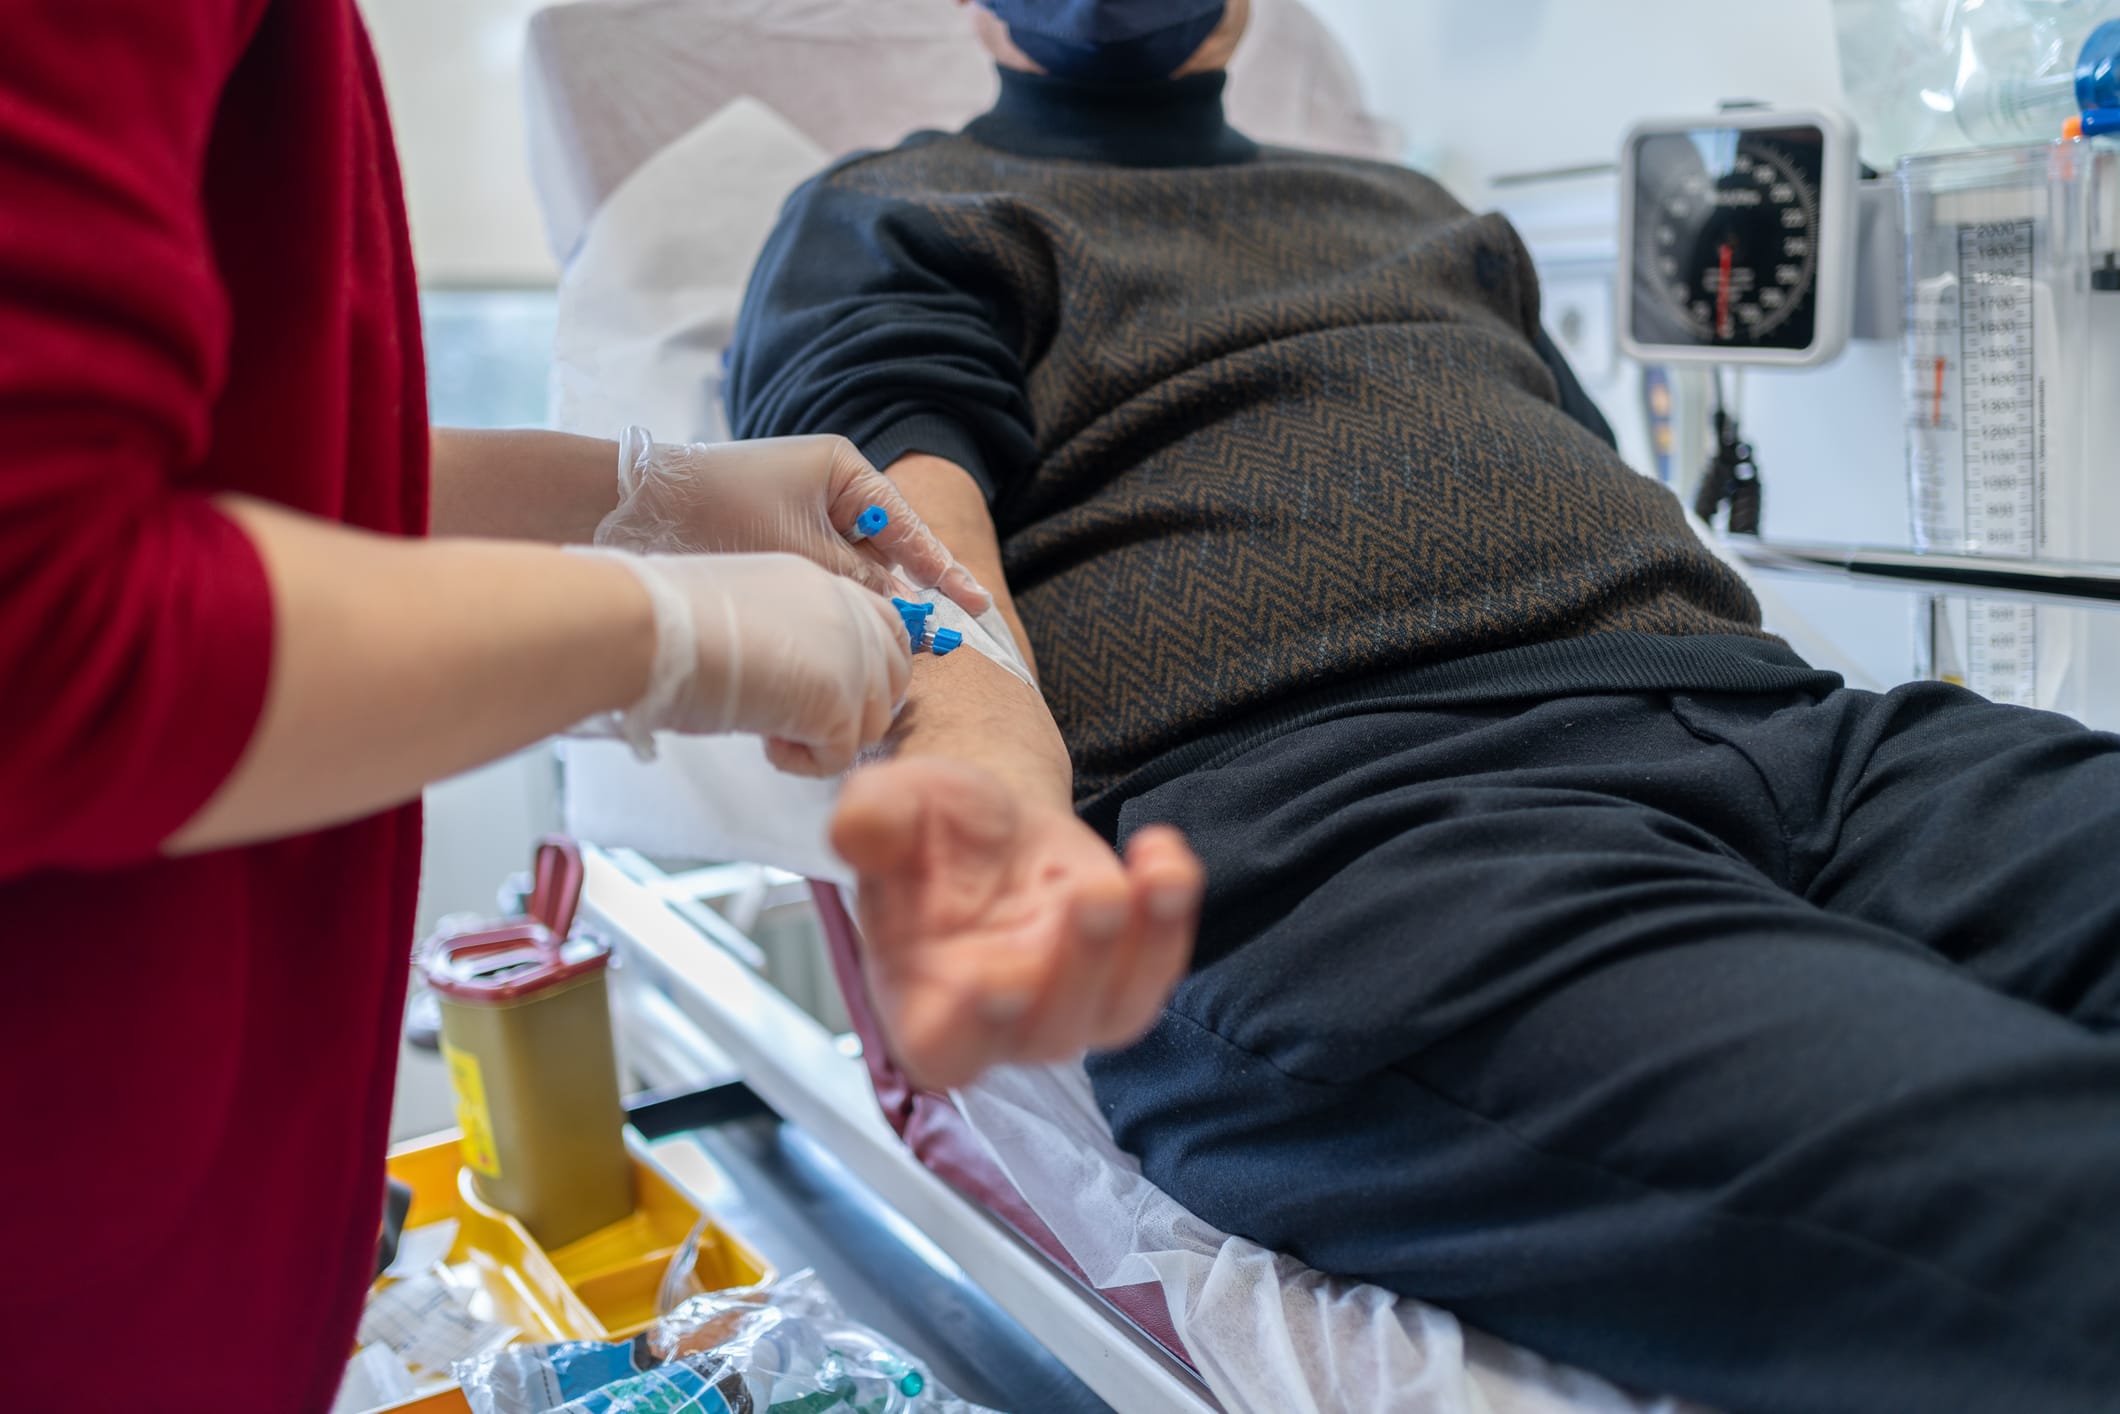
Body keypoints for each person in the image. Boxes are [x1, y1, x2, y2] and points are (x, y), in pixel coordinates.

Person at [724, 1, 2120, 1410]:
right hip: (1356, 841)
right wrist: (991, 788)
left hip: (1803, 736)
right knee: (2052, 1188)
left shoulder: (1422, 211)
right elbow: (906, 554)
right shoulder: (891, 213)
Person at [0, 3, 1201, 1407]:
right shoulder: (897, 233)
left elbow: (207, 465)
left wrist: (631, 495)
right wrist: (667, 632)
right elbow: (41, 615)